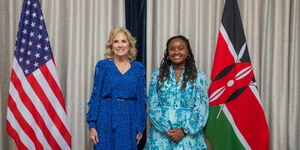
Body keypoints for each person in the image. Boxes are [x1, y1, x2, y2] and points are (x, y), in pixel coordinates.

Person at [144, 35, 209, 150]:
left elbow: (202, 108)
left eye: (181, 48)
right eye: (172, 49)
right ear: (167, 53)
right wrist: (166, 129)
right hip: (161, 136)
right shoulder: (157, 75)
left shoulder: (199, 77)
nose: (176, 52)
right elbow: (153, 105)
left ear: (188, 52)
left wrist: (184, 130)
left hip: (189, 137)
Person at [86, 27, 147, 150]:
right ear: (111, 45)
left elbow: (141, 100)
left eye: (123, 41)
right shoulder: (103, 66)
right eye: (116, 41)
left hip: (129, 120)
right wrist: (92, 125)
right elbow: (96, 96)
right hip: (105, 117)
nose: (120, 45)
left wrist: (140, 127)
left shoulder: (138, 68)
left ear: (129, 45)